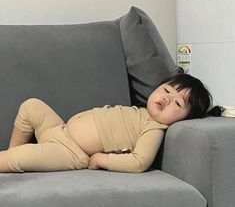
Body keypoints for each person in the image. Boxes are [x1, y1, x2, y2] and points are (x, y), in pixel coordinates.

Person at [0, 73, 221, 173]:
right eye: (166, 90)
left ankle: (12, 159)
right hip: (59, 130)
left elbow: (139, 162)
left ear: (183, 119)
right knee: (31, 105)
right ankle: (11, 154)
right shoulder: (139, 112)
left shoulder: (153, 128)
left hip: (70, 152)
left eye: (177, 103)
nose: (166, 98)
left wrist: (102, 159)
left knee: (21, 158)